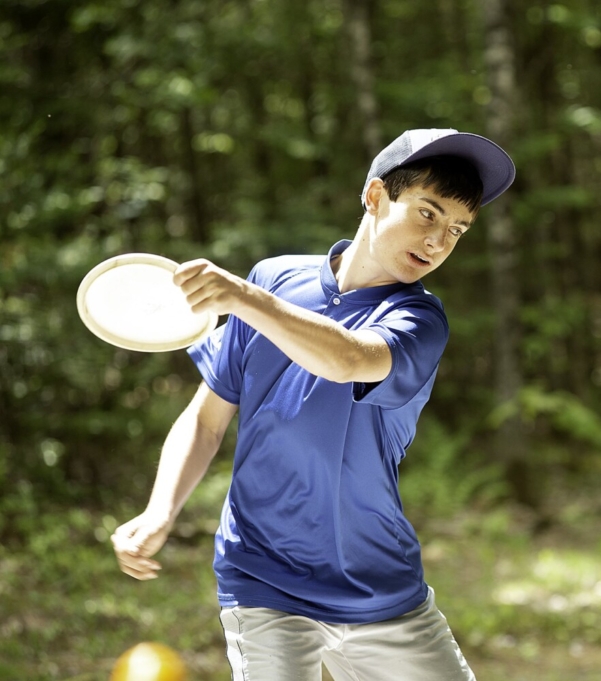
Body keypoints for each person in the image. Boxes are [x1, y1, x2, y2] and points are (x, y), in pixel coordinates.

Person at [110, 129, 515, 681]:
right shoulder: (274, 280)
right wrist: (160, 511)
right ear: (375, 196)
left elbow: (347, 358)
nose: (439, 240)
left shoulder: (421, 319)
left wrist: (244, 299)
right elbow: (206, 420)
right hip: (263, 579)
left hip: (381, 589)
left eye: (457, 230)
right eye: (427, 213)